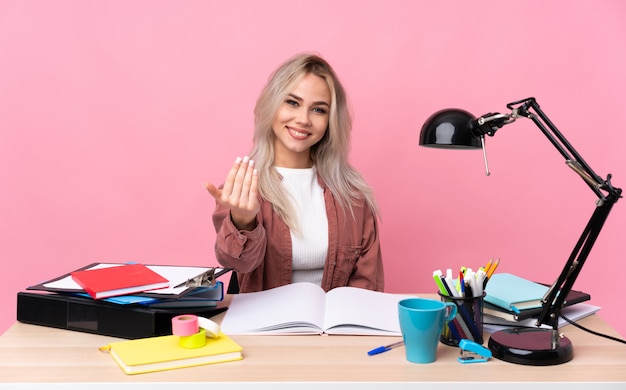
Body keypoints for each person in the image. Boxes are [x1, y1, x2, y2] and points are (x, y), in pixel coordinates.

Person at [205, 53, 383, 293]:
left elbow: (367, 286)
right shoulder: (243, 188)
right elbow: (237, 262)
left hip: (336, 329)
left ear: (330, 121)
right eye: (292, 102)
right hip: (263, 328)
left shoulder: (353, 196)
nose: (303, 119)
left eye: (318, 110)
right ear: (272, 105)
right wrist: (243, 221)